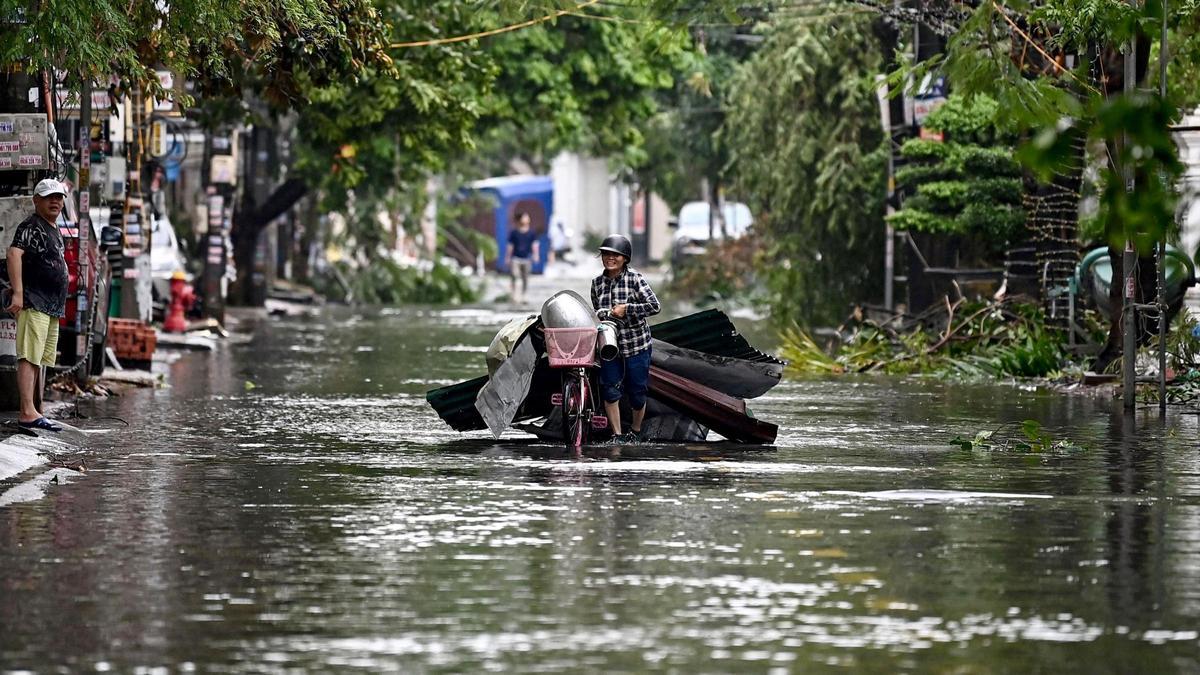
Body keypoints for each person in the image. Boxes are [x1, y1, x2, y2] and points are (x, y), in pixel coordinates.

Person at [5, 178, 70, 432]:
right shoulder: (31, 226)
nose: (55, 201)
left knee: (39, 359)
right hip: (35, 301)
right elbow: (13, 254)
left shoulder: (51, 227)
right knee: (28, 357)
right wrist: (19, 293)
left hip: (50, 306)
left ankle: (35, 410)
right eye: (48, 197)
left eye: (59, 197)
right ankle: (27, 412)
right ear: (36, 201)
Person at [590, 233, 660, 443]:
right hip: (609, 347)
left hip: (636, 345)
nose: (610, 258)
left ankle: (636, 432)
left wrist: (627, 309)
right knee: (610, 390)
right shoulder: (596, 284)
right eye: (606, 254)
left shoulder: (635, 279)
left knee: (637, 392)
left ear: (625, 258)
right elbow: (596, 312)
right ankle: (617, 435)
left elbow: (654, 306)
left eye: (615, 255)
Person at [505, 211, 539, 304]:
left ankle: (524, 296)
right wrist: (508, 257)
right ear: (519, 219)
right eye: (524, 217)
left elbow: (534, 245)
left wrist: (536, 255)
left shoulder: (532, 233)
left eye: (527, 217)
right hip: (516, 258)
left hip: (527, 258)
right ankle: (515, 296)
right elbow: (510, 246)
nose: (527, 219)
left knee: (525, 278)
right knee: (515, 277)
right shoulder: (514, 232)